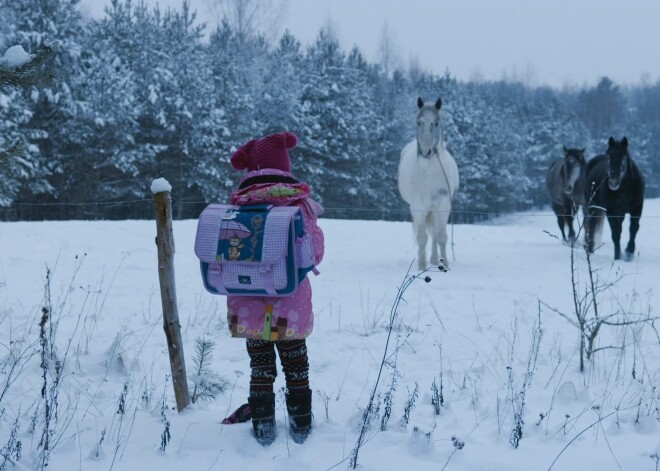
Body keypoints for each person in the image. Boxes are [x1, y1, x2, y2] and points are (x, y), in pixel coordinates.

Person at [224, 131, 324, 446]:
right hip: (290, 304)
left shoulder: (240, 205)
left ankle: (264, 429)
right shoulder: (298, 204)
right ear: (284, 166)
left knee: (261, 367)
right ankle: (301, 427)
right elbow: (315, 251)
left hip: (249, 304)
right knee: (296, 365)